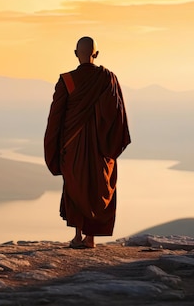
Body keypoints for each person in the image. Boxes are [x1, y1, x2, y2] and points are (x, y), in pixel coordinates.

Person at [44, 37, 131, 249]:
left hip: (72, 146)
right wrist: (109, 143)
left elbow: (56, 118)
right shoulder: (107, 79)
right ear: (96, 54)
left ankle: (77, 236)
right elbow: (116, 116)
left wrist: (53, 147)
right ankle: (90, 238)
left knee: (76, 186)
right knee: (96, 185)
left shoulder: (67, 81)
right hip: (101, 145)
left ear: (76, 53)